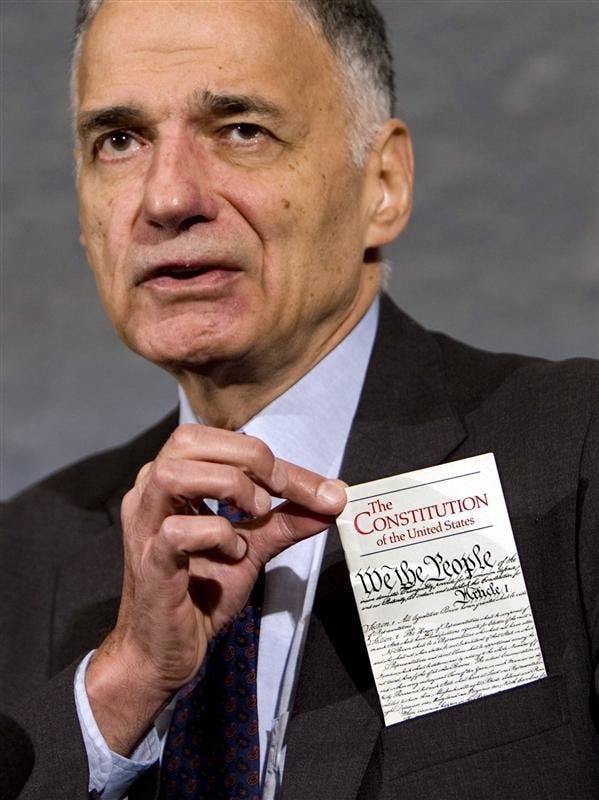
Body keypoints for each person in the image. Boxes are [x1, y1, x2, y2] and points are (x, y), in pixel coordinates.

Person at [1, 1, 597, 798]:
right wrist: (119, 691)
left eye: (241, 129)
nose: (167, 198)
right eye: (119, 140)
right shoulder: (19, 556)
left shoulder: (575, 450)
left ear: (380, 184)